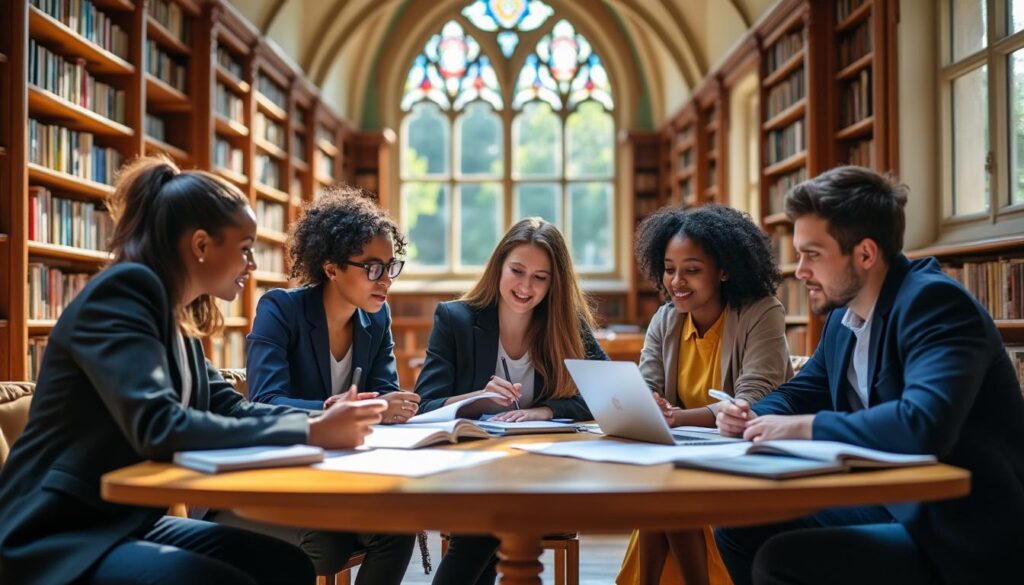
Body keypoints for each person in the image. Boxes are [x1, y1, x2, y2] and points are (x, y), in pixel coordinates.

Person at [0, 157, 386, 585]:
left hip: (121, 522)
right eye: (245, 248)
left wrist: (323, 418)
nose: (252, 264)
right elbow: (159, 426)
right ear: (201, 245)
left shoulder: (174, 317)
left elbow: (232, 408)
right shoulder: (123, 293)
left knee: (285, 565)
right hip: (57, 532)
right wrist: (311, 431)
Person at [713, 166, 1024, 585]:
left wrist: (804, 428)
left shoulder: (935, 304)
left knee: (781, 560)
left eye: (812, 254)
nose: (799, 271)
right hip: (894, 504)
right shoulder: (844, 317)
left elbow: (923, 424)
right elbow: (803, 391)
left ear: (865, 254)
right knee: (738, 524)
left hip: (963, 530)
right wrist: (751, 414)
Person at [210, 188, 418, 582]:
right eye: (373, 268)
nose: (386, 281)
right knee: (328, 545)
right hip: (271, 481)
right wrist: (330, 411)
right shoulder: (280, 309)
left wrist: (389, 407)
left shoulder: (377, 318)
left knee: (399, 525)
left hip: (339, 477)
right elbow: (266, 401)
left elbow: (384, 396)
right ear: (332, 269)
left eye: (391, 266)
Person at [415, 217, 608, 584]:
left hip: (543, 472)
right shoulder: (455, 319)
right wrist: (478, 399)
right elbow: (425, 405)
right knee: (490, 517)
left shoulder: (566, 324)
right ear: (498, 267)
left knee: (489, 520)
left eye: (540, 277)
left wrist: (544, 410)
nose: (525, 286)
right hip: (469, 469)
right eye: (517, 271)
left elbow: (606, 394)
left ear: (554, 283)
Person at [617, 205, 792, 585]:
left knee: (667, 494)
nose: (677, 281)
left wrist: (676, 417)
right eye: (669, 269)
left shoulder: (761, 312)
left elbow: (754, 396)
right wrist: (650, 403)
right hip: (683, 456)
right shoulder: (666, 318)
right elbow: (647, 383)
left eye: (692, 270)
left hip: (744, 454)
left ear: (723, 270)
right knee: (664, 490)